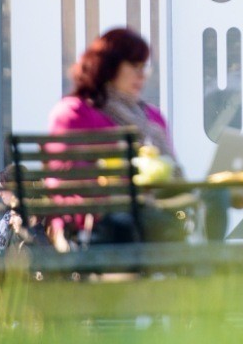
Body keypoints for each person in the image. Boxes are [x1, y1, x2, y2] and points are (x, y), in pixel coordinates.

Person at [47, 27, 182, 244]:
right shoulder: (76, 112)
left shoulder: (153, 118)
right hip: (99, 224)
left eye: (143, 67)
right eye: (133, 66)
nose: (141, 74)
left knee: (215, 198)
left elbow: (174, 179)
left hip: (156, 214)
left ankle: (213, 273)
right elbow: (67, 185)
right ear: (109, 66)